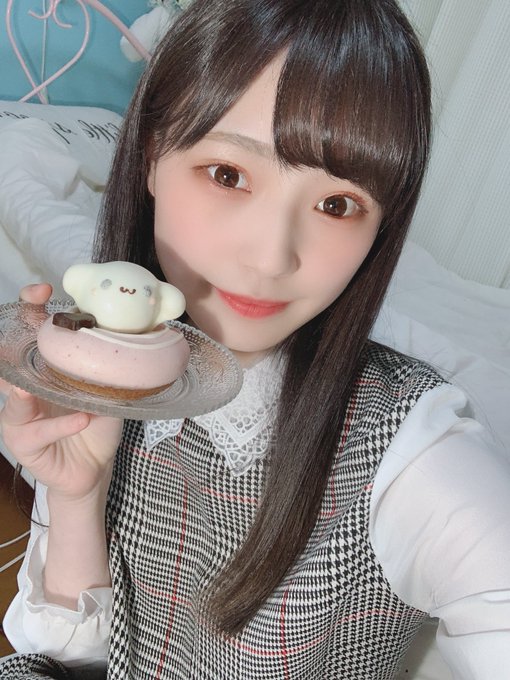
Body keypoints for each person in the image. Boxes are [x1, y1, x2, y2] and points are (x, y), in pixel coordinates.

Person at [1, 0, 509, 678]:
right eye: (229, 175)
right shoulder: (102, 369)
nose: (271, 258)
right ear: (152, 156)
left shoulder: (409, 451)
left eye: (337, 205)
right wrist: (76, 497)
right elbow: (73, 661)